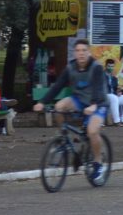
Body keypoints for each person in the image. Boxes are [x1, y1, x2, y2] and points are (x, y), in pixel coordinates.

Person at [33, 40, 108, 180]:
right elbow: (57, 87)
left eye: (84, 50)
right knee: (59, 107)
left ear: (89, 52)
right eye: (78, 50)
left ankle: (98, 163)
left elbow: (98, 89)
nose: (81, 53)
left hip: (98, 103)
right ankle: (63, 138)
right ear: (75, 53)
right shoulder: (71, 68)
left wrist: (93, 105)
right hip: (79, 101)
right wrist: (42, 102)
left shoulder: (96, 67)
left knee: (92, 131)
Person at [104, 58, 123, 127]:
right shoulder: (101, 76)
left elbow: (116, 88)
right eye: (109, 66)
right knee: (113, 97)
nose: (110, 68)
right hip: (105, 96)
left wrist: (118, 91)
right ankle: (116, 121)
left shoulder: (114, 78)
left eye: (112, 66)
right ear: (106, 66)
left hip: (114, 97)